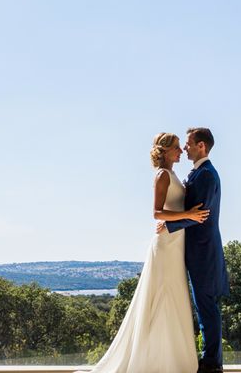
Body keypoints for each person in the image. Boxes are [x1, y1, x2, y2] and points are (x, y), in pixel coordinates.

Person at [77, 132, 208, 373]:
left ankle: (171, 360)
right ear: (165, 150)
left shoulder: (173, 173)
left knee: (174, 298)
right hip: (166, 244)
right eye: (177, 148)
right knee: (161, 297)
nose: (181, 151)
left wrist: (185, 215)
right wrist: (188, 215)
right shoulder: (162, 175)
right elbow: (156, 213)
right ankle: (155, 362)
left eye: (181, 147)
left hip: (176, 243)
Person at [158, 127, 229, 373]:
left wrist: (170, 225)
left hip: (204, 251)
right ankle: (208, 358)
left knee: (207, 307)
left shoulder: (207, 175)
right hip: (193, 250)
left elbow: (202, 215)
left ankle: (212, 363)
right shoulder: (198, 173)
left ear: (201, 146)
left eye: (188, 143)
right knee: (203, 306)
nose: (185, 148)